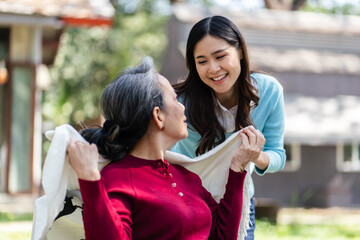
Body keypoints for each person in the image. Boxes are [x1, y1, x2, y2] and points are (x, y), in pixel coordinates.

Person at [66, 57, 258, 240]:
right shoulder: (119, 178)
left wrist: (237, 167)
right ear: (158, 116)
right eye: (175, 99)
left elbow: (222, 236)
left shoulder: (188, 178)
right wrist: (90, 180)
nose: (183, 107)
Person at [171, 15, 286, 239]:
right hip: (188, 201)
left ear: (240, 51)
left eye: (220, 56)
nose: (213, 69)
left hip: (239, 200)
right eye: (202, 61)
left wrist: (256, 156)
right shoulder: (178, 102)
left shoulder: (269, 91)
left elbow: (278, 155)